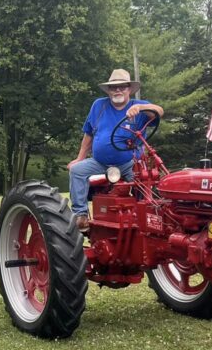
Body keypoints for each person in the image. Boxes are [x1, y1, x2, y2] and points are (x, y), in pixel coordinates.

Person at [68, 69, 164, 230]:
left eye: (122, 87)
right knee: (77, 171)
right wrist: (80, 158)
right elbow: (89, 133)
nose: (118, 90)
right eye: (113, 87)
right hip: (100, 162)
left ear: (129, 90)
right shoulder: (99, 105)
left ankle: (144, 218)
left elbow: (159, 111)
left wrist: (140, 107)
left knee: (143, 179)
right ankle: (81, 215)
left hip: (129, 162)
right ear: (109, 90)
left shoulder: (139, 106)